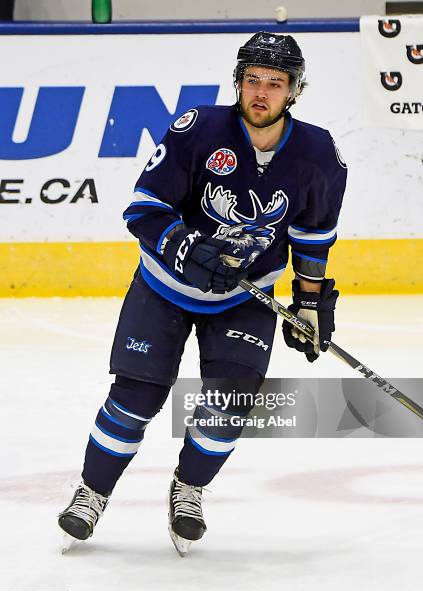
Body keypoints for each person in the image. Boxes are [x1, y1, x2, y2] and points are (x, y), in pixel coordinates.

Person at [58, 32, 347, 555]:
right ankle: (91, 493)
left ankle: (187, 489)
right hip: (164, 288)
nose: (261, 93)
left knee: (229, 405)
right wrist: (187, 247)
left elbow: (312, 234)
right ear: (238, 83)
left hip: (244, 297)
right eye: (252, 80)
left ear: (294, 91)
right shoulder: (198, 130)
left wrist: (308, 300)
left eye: (274, 84)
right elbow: (143, 209)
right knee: (136, 396)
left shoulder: (317, 151)